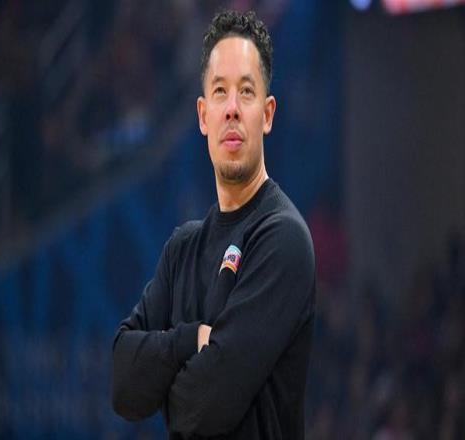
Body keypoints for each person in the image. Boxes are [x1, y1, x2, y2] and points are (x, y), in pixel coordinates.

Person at [112, 10, 317, 439]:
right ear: (203, 116)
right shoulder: (182, 249)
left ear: (268, 114)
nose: (232, 110)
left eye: (247, 92)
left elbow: (203, 410)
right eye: (220, 92)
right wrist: (190, 340)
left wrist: (164, 381)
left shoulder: (282, 238)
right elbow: (125, 386)